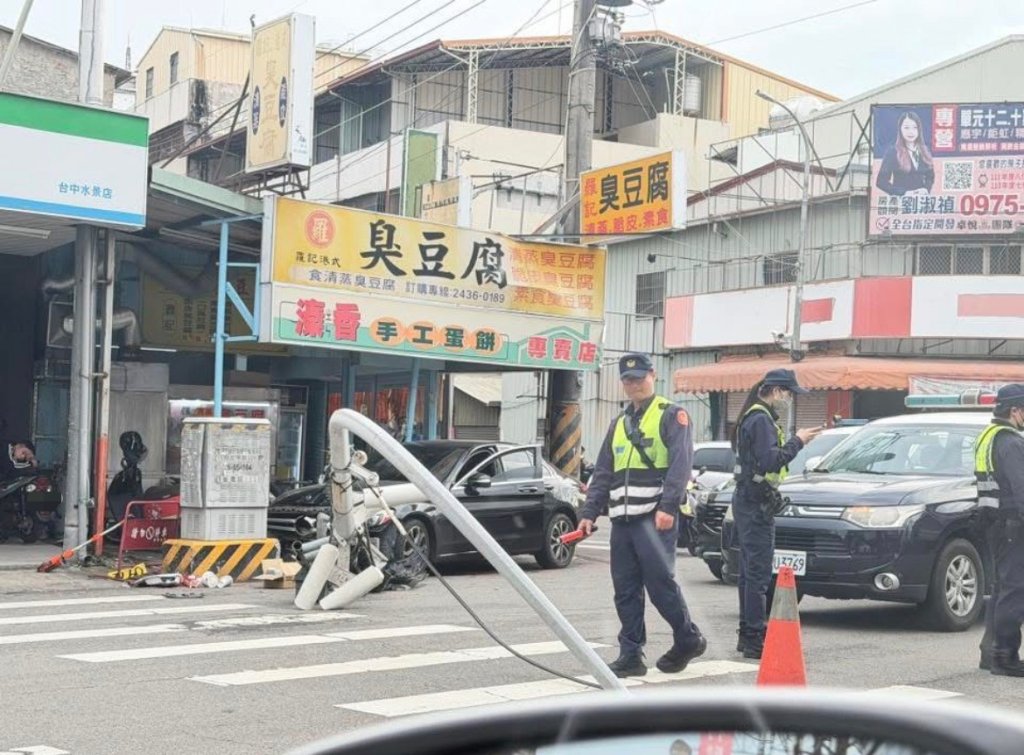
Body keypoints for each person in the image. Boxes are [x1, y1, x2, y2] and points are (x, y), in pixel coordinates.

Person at [576, 353, 705, 678]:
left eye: (639, 377)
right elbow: (604, 472)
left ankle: (687, 637)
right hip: (623, 520)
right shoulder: (618, 424)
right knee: (625, 589)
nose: (633, 384)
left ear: (653, 376)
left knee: (660, 584)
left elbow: (680, 464)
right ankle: (631, 654)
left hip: (653, 518)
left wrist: (668, 506)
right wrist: (589, 512)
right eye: (627, 380)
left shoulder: (671, 415)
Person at [731, 370, 822, 659]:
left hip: (749, 499)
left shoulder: (753, 415)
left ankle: (748, 635)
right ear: (776, 391)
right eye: (788, 393)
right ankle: (756, 638)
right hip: (755, 502)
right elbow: (772, 459)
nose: (789, 399)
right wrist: (798, 441)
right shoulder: (761, 419)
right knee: (757, 576)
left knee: (748, 573)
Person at [974, 384, 1024, 676]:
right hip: (1011, 525)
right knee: (1014, 590)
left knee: (1002, 587)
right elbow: (1021, 490)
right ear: (1015, 410)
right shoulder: (1011, 443)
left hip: (995, 523)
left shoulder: (988, 437)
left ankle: (990, 653)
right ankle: (1004, 657)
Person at [875, 111, 934, 196]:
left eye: (915, 127)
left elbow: (930, 176)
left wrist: (925, 189)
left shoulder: (924, 151)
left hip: (920, 203)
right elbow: (881, 182)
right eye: (906, 128)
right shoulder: (893, 152)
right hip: (901, 203)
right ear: (900, 129)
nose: (911, 132)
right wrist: (904, 193)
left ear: (919, 130)